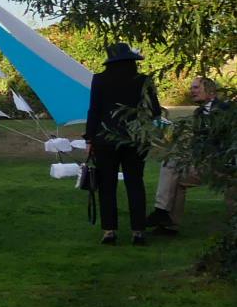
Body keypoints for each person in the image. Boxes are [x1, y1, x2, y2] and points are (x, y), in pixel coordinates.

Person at [86, 42, 163, 246]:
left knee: (107, 185)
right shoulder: (144, 81)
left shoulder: (99, 79)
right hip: (135, 139)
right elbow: (155, 111)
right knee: (135, 183)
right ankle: (138, 231)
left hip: (106, 138)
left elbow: (94, 110)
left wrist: (89, 138)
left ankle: (109, 231)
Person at [148, 77, 227, 234]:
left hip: (222, 165)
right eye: (191, 88)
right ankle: (168, 223)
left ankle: (161, 211)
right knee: (174, 170)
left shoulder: (225, 110)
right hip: (204, 163)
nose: (192, 91)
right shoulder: (199, 112)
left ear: (211, 92)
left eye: (196, 87)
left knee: (173, 166)